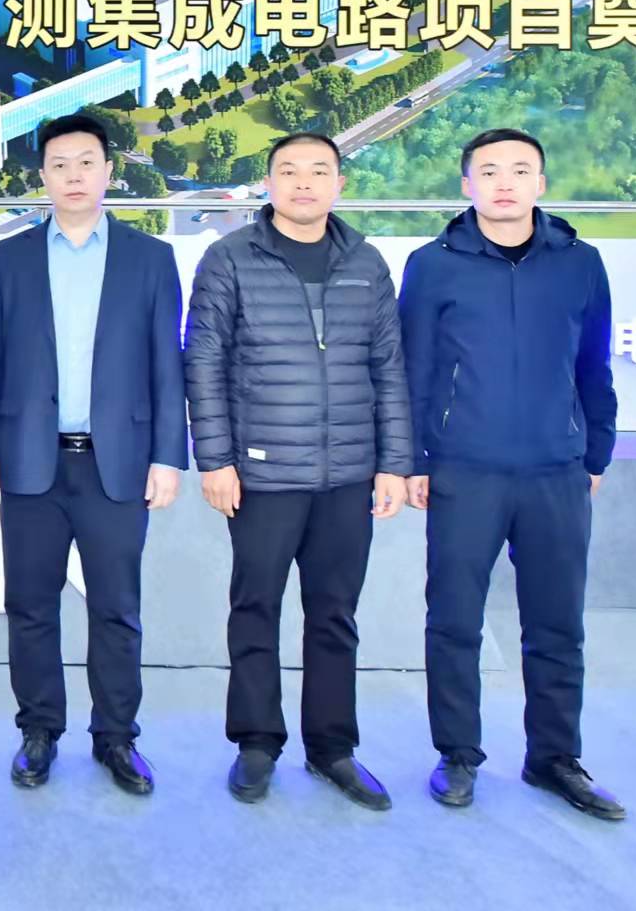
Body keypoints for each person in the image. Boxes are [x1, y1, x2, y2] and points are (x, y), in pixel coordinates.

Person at [399, 128, 624, 821]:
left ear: (540, 184)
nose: (504, 182)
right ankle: (457, 754)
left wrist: (594, 453)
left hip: (556, 471)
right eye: (489, 170)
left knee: (557, 623)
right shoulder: (433, 264)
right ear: (466, 184)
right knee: (453, 620)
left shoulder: (579, 263)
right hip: (464, 470)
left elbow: (593, 363)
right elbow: (413, 370)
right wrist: (412, 459)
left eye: (520, 170)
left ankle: (554, 757)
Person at [185, 132, 412, 810]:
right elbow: (203, 361)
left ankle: (332, 748)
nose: (304, 182)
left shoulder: (366, 262)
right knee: (255, 606)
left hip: (348, 473)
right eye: (289, 170)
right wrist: (215, 459)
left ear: (339, 183)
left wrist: (393, 463)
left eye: (318, 171)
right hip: (262, 473)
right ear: (268, 182)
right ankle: (256, 742)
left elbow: (388, 366)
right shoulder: (229, 257)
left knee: (334, 613)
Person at [0, 113, 185, 795]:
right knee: (30, 606)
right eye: (59, 164)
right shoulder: (8, 258)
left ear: (108, 172)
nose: (73, 175)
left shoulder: (148, 257)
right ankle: (38, 730)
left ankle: (116, 736)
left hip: (116, 463)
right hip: (29, 460)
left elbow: (167, 363)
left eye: (86, 162)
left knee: (116, 608)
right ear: (42, 175)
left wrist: (168, 455)